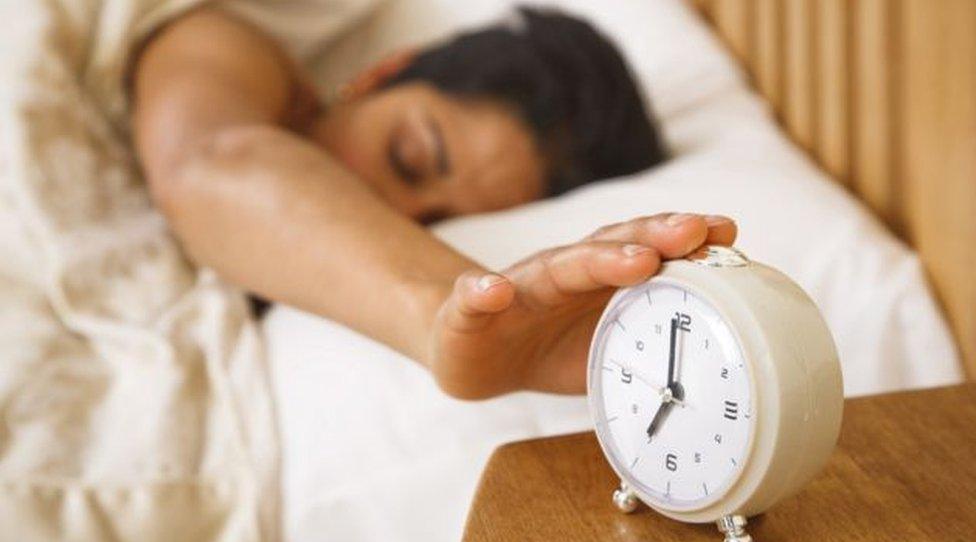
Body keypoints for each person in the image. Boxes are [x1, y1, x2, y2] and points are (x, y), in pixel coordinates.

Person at [131, 4, 738, 400]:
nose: (386, 213)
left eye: (439, 226)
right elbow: (207, 157)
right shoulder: (227, 44)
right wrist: (446, 313)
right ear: (383, 73)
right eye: (408, 158)